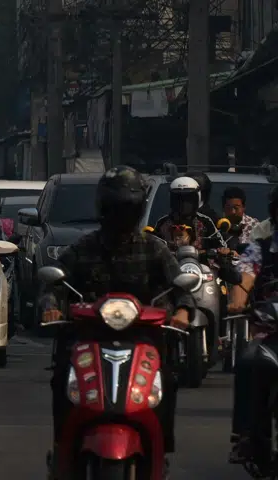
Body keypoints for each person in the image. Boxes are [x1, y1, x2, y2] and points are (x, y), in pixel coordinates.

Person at [38, 166, 191, 477]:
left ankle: (161, 449)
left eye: (128, 207)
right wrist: (51, 306)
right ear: (103, 208)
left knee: (168, 382)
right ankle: (62, 450)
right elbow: (53, 285)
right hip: (87, 338)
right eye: (115, 207)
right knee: (61, 381)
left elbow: (179, 285)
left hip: (145, 339)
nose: (121, 214)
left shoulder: (154, 248)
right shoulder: (84, 247)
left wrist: (184, 310)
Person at [231, 184, 278, 465]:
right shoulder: (259, 249)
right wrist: (238, 300)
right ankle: (244, 436)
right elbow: (245, 278)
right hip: (269, 333)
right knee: (248, 361)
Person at [153, 175, 222, 251]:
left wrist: (221, 251)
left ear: (197, 198)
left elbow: (221, 246)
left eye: (188, 199)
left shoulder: (205, 221)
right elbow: (152, 247)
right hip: (170, 262)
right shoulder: (163, 223)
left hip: (199, 262)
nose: (184, 203)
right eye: (178, 199)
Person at [224, 187, 260, 314]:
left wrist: (238, 254)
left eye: (236, 208)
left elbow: (254, 257)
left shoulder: (255, 226)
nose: (233, 212)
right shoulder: (218, 225)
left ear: (243, 207)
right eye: (229, 208)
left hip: (247, 278)